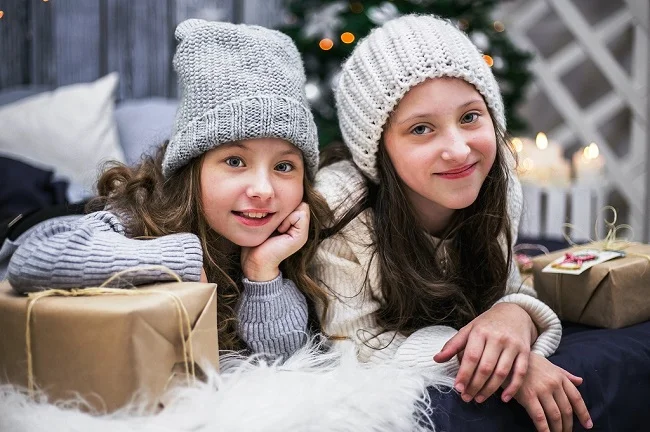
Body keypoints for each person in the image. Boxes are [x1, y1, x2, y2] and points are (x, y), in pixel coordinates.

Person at [312, 15, 592, 431]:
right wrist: (496, 360)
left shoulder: (496, 190)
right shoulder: (339, 210)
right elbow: (356, 343)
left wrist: (514, 316)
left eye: (469, 118)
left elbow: (512, 285)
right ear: (377, 148)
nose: (459, 150)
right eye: (421, 129)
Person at [6, 19, 330, 360]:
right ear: (192, 168)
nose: (263, 190)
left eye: (283, 167)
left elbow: (288, 362)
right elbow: (29, 260)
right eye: (235, 161)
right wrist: (179, 259)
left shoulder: (290, 240)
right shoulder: (141, 214)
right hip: (32, 217)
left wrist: (262, 272)